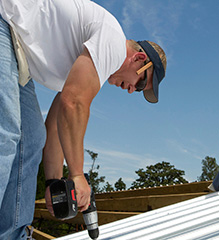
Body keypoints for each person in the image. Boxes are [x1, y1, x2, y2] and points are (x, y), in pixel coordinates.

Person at [0, 0, 167, 238]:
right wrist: (77, 174)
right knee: (5, 134)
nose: (132, 90)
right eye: (141, 84)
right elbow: (73, 102)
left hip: (16, 51)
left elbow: (57, 127)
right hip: (5, 21)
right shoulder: (114, 44)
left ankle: (10, 235)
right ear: (139, 58)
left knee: (33, 138)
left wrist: (54, 184)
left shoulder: (89, 62)